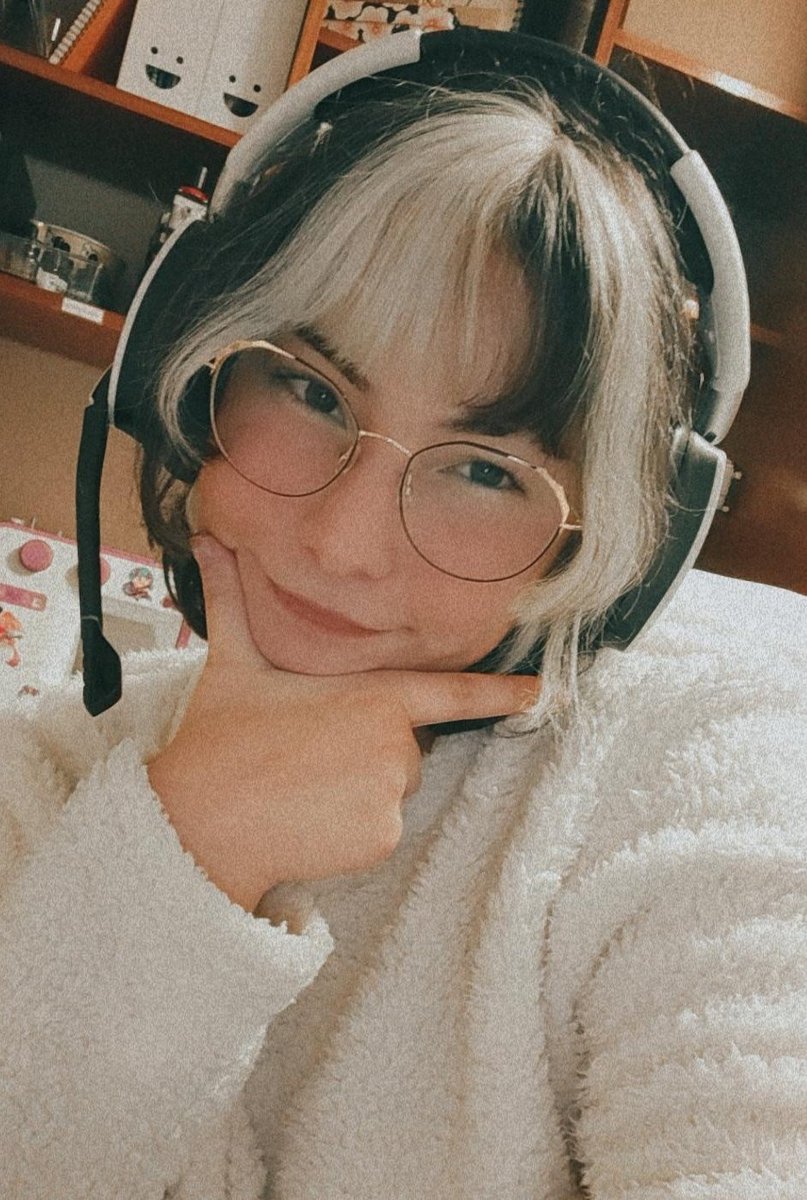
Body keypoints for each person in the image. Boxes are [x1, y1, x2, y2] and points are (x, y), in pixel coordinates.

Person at [2, 44, 807, 1200]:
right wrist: (197, 841)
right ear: (181, 368)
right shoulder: (44, 768)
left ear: (621, 548)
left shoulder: (700, 757)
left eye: (485, 471)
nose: (344, 544)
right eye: (310, 390)